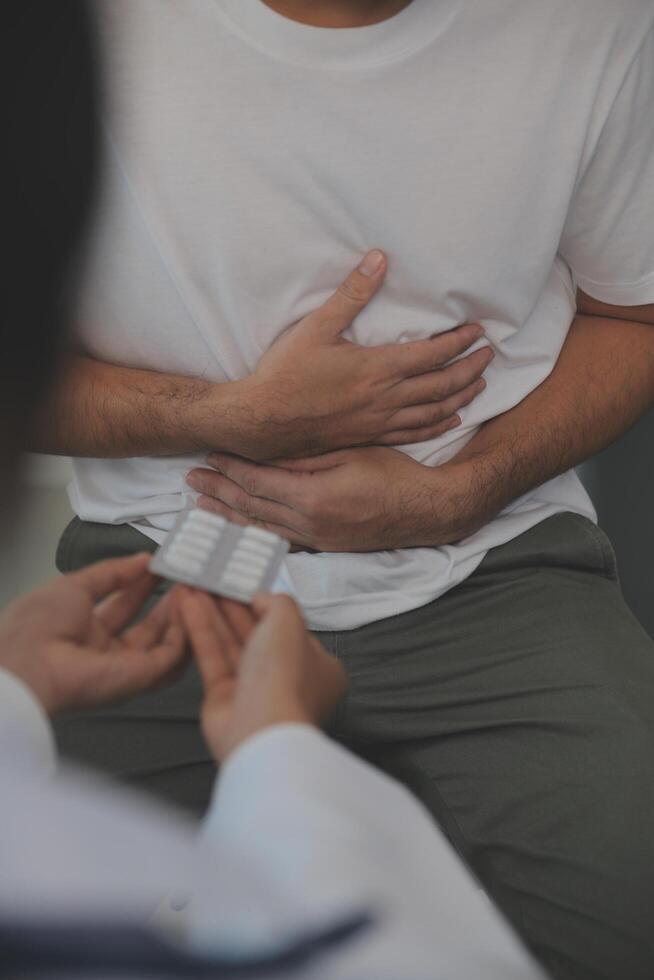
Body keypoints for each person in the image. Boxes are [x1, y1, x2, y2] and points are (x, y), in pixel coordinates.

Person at [28, 1, 654, 977]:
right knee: (81, 928)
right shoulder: (60, 31)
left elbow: (638, 312)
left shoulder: (594, 23)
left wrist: (459, 493)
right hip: (161, 559)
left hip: (491, 560)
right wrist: (220, 416)